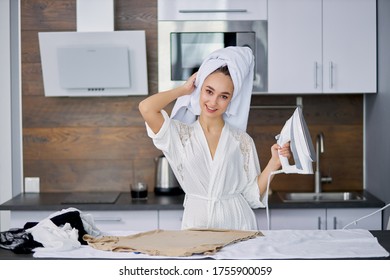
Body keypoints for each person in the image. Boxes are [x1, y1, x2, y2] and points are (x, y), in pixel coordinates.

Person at [139, 47, 291, 231]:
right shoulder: (179, 135)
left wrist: (274, 163)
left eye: (223, 96)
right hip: (196, 227)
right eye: (209, 91)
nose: (213, 102)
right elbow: (146, 108)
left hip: (239, 225)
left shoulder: (242, 141)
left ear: (231, 100)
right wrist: (183, 90)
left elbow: (251, 196)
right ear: (199, 89)